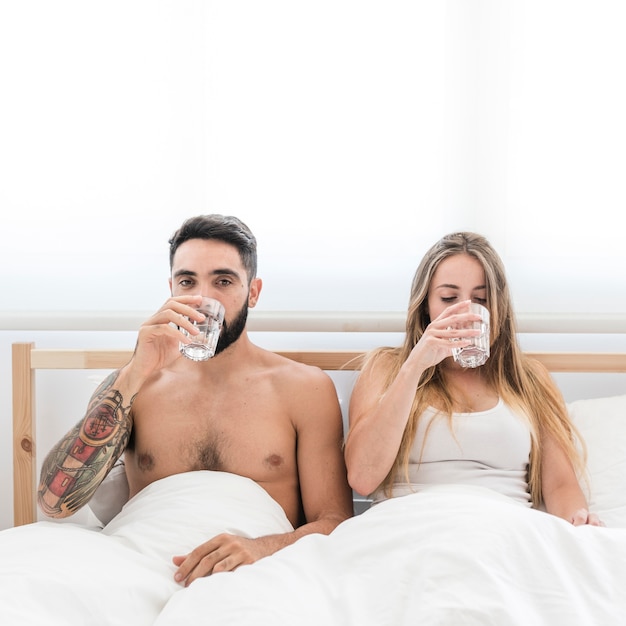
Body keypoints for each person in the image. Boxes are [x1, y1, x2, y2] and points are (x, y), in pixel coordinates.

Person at [38, 213, 354, 586]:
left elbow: (335, 523)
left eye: (223, 280)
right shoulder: (132, 385)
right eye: (188, 281)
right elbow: (54, 503)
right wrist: (136, 371)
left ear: (253, 291)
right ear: (171, 288)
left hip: (255, 570)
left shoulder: (304, 388)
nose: (203, 298)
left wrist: (263, 548)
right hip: (137, 562)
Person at [344, 231, 603, 526]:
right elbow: (362, 478)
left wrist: (578, 521)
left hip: (504, 529)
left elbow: (560, 485)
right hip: (410, 526)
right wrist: (415, 365)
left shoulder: (528, 379)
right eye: (448, 298)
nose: (465, 313)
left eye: (480, 299)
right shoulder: (387, 367)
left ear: (497, 308)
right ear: (425, 305)